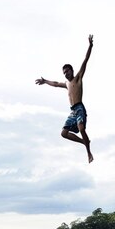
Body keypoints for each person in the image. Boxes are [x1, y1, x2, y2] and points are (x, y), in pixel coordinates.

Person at [36, 35, 94, 163]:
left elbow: (85, 61)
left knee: (81, 129)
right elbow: (56, 84)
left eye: (67, 71)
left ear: (72, 71)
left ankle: (88, 152)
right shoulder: (67, 84)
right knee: (63, 133)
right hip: (73, 111)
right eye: (64, 72)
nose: (66, 74)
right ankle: (84, 142)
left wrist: (90, 46)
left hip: (79, 108)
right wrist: (45, 81)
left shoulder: (78, 78)